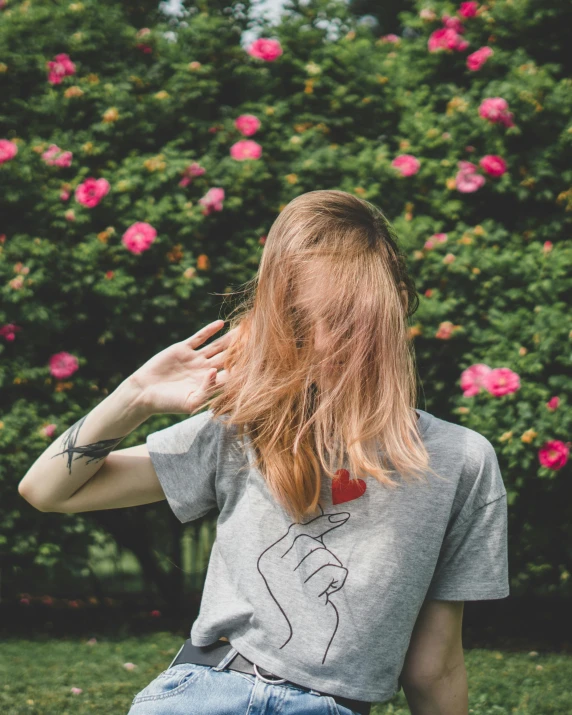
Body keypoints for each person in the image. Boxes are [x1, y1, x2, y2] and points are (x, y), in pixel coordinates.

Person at [18, 190, 510, 715]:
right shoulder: (246, 430)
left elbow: (434, 667)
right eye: (300, 319)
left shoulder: (461, 460)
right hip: (206, 690)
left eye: (344, 317)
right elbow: (46, 491)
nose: (322, 341)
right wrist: (134, 396)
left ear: (394, 308)